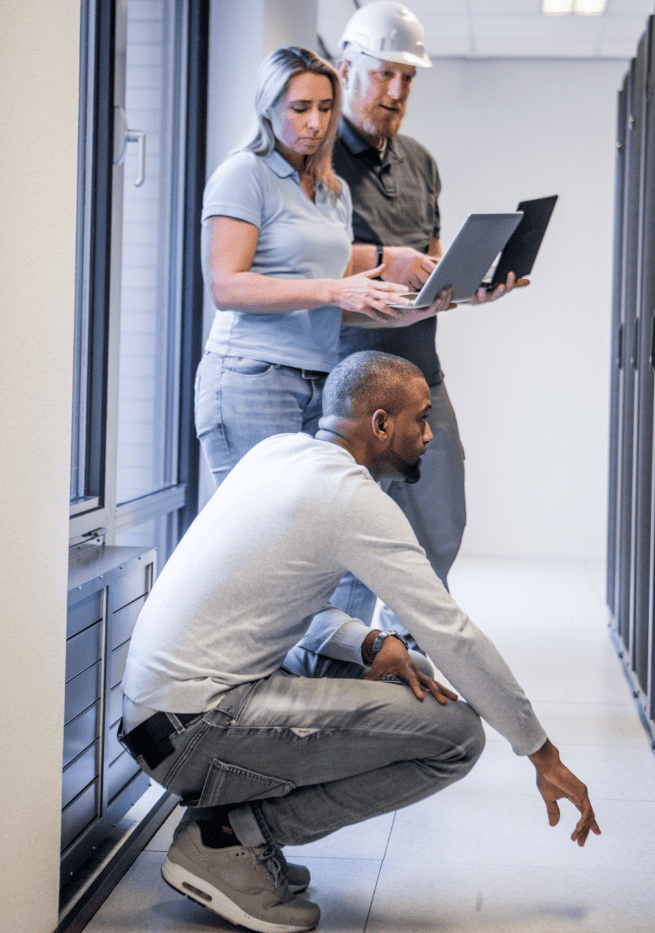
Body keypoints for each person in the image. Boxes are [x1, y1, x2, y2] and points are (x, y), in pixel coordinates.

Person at [120, 351, 600, 933]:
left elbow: (280, 606)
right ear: (379, 425)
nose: (428, 434)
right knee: (456, 737)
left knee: (409, 666)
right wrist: (541, 753)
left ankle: (231, 829)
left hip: (161, 718)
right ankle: (229, 838)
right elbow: (452, 633)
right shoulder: (350, 498)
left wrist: (373, 645)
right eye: (421, 420)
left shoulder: (278, 455)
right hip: (193, 728)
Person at [331, 0, 527, 635]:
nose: (396, 91)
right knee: (348, 548)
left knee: (441, 528)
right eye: (384, 74)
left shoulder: (419, 161)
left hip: (421, 379)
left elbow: (432, 258)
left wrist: (467, 285)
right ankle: (348, 663)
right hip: (351, 382)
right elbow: (307, 262)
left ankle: (403, 652)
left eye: (408, 79)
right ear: (344, 69)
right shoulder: (318, 159)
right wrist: (389, 264)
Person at [194, 45, 450, 486]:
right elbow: (226, 287)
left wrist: (410, 312)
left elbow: (332, 304)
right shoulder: (244, 174)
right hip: (254, 378)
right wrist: (336, 289)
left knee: (306, 529)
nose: (316, 122)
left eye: (326, 107)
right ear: (268, 108)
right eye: (300, 108)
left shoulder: (333, 190)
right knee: (260, 530)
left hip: (320, 382)